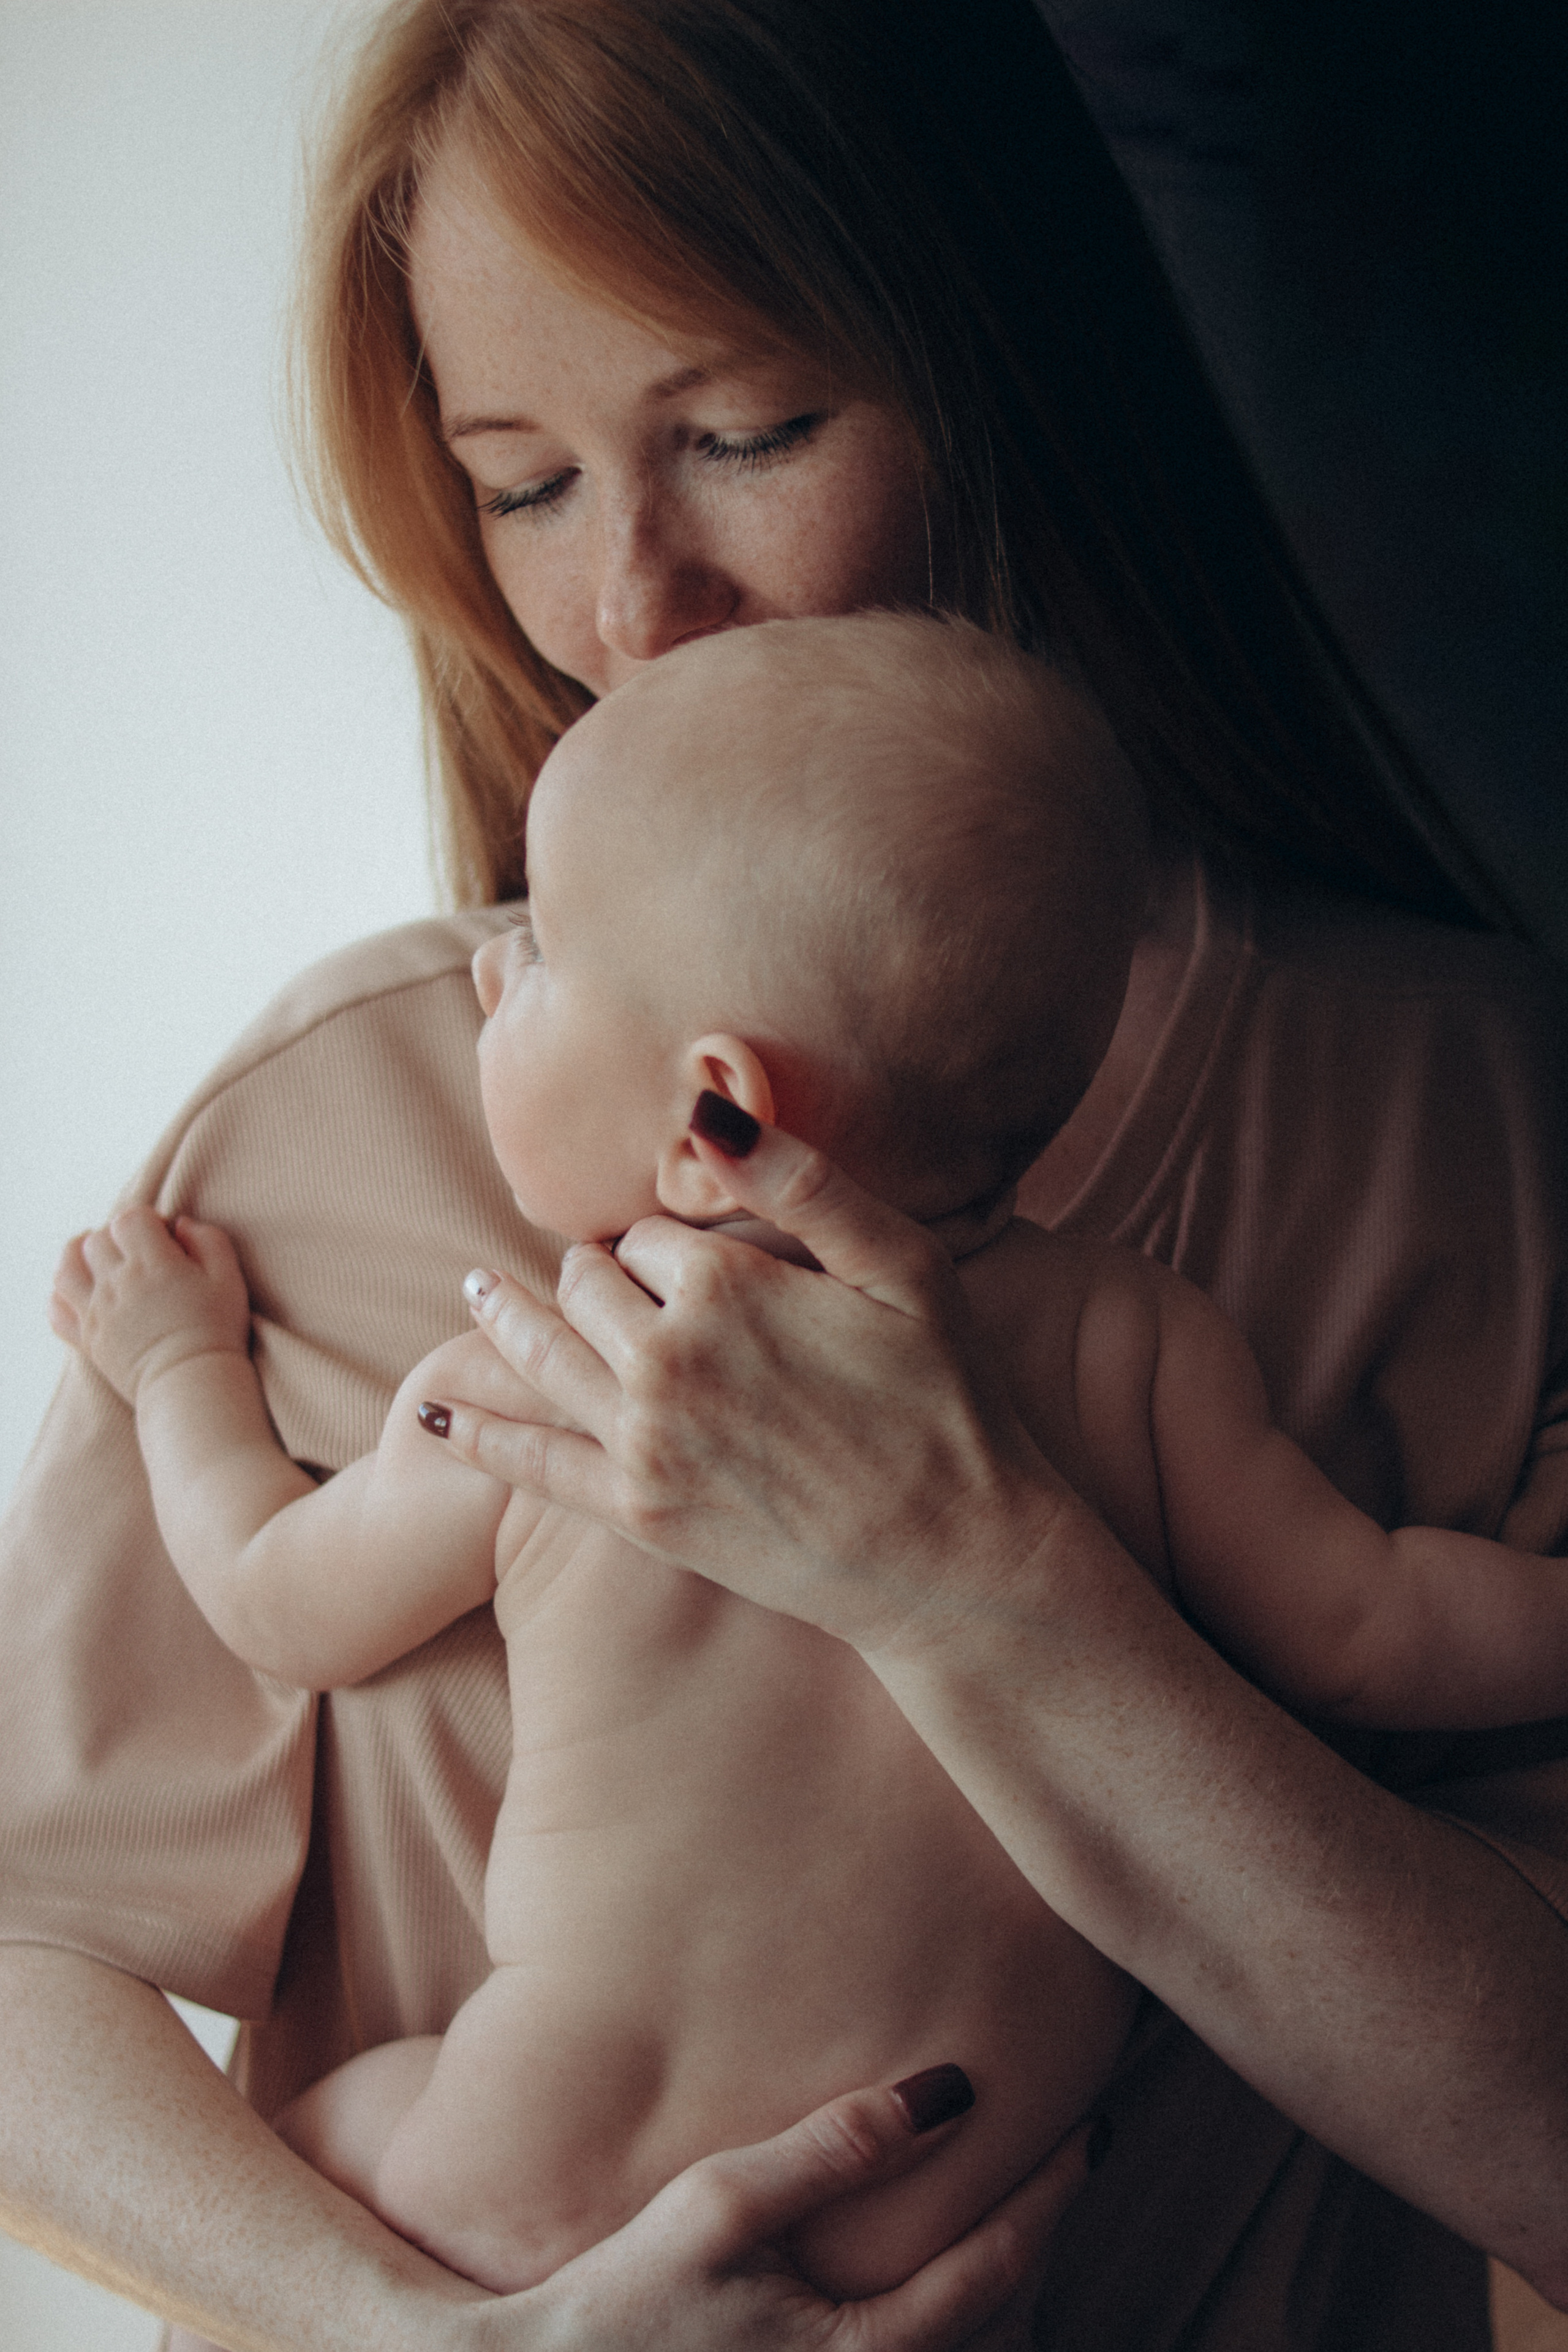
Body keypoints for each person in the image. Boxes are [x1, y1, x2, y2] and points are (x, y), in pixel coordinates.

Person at [1, 4, 1564, 2349]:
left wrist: (989, 1586)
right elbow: (26, 1965)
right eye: (523, 483)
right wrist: (426, 2342)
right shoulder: (343, 1112)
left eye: (743, 436)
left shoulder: (1471, 1117)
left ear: (1001, 374)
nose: (633, 608)